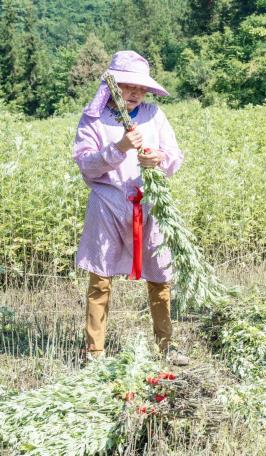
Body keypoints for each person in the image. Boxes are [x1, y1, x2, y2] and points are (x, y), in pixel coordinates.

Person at [73, 50, 189, 365]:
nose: (135, 93)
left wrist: (159, 160)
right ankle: (95, 352)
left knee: (160, 275)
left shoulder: (154, 115)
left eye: (141, 87)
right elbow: (86, 164)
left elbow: (174, 154)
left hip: (150, 201)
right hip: (108, 204)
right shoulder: (93, 119)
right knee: (100, 278)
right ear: (113, 85)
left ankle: (166, 345)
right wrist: (119, 148)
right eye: (128, 86)